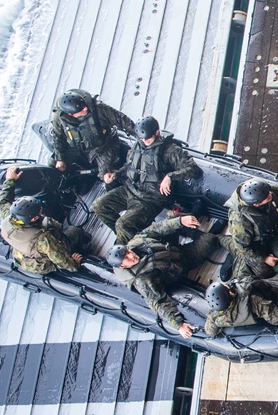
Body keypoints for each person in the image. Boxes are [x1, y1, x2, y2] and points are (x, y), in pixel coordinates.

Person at [106, 215, 220, 339]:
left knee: (175, 217)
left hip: (171, 250)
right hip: (182, 263)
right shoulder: (143, 279)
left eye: (128, 252)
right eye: (127, 259)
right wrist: (179, 325)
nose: (131, 256)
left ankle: (189, 230)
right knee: (210, 240)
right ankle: (199, 234)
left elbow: (157, 229)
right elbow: (158, 302)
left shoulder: (137, 242)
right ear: (122, 266)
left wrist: (180, 221)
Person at [92, 116, 203, 244]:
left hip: (149, 199)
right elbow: (130, 166)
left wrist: (170, 176)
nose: (145, 141)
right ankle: (129, 237)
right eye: (142, 138)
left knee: (122, 224)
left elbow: (193, 169)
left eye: (148, 138)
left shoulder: (169, 150)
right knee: (99, 206)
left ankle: (129, 242)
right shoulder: (138, 145)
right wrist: (115, 174)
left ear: (157, 132)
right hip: (130, 189)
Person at [0, 166, 89, 274]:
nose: (41, 212)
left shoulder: (10, 217)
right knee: (75, 231)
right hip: (43, 264)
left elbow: (2, 202)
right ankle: (87, 245)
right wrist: (74, 263)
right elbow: (63, 262)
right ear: (34, 218)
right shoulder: (43, 239)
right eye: (39, 211)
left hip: (23, 255)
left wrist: (10, 180)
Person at [203, 271, 278, 337]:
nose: (228, 285)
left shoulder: (216, 315)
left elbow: (210, 331)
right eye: (226, 288)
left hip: (254, 283)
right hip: (267, 293)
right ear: (230, 294)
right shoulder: (253, 302)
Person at [47, 89, 133, 175]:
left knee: (106, 175)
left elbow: (123, 121)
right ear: (70, 114)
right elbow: (57, 137)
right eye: (80, 109)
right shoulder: (59, 118)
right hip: (77, 147)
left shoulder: (99, 109)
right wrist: (60, 159)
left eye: (84, 106)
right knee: (53, 164)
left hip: (102, 146)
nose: (85, 109)